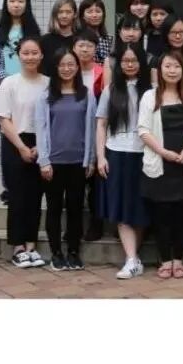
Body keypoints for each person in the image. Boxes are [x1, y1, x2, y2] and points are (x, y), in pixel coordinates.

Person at [138, 51, 183, 279]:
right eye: (167, 66)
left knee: (181, 215)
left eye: (176, 66)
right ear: (160, 70)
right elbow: (143, 130)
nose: (172, 71)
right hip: (159, 164)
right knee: (161, 215)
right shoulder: (150, 96)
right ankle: (164, 260)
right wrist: (163, 152)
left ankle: (178, 259)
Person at [35, 47, 97, 271]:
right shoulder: (45, 96)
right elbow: (41, 129)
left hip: (78, 162)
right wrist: (44, 161)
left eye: (71, 64)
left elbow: (92, 128)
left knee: (75, 208)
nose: (67, 68)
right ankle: (56, 253)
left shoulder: (86, 94)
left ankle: (73, 251)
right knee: (53, 209)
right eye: (62, 65)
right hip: (53, 163)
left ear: (77, 67)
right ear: (55, 68)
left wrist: (91, 160)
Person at [95, 42, 150, 279]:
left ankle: (134, 257)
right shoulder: (110, 90)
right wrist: (100, 157)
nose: (129, 65)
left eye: (134, 60)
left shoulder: (151, 90)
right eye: (125, 61)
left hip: (145, 154)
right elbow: (101, 124)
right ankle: (131, 259)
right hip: (116, 153)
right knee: (121, 207)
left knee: (140, 206)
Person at [0, 36, 48, 269]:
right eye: (26, 53)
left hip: (41, 142)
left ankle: (31, 246)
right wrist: (22, 147)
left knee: (35, 196)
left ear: (41, 55)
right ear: (18, 55)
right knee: (17, 196)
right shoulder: (9, 83)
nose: (30, 57)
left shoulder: (48, 83)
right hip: (15, 142)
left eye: (35, 53)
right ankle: (17, 247)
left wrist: (41, 146)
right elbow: (3, 119)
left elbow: (51, 118)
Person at [73, 29, 105, 242]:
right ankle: (74, 228)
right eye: (81, 45)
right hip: (73, 134)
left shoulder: (103, 72)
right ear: (73, 48)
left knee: (95, 185)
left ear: (96, 49)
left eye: (89, 46)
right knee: (75, 183)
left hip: (96, 132)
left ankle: (96, 224)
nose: (85, 50)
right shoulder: (67, 71)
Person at [0, 0, 42, 87]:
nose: (16, 5)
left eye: (20, 1)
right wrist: (6, 83)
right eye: (12, 1)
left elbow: (39, 59)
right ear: (6, 4)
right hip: (5, 84)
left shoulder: (34, 30)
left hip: (30, 82)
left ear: (27, 4)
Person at [39, 0, 79, 76]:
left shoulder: (80, 40)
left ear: (75, 14)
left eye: (68, 12)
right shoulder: (44, 41)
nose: (64, 16)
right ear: (55, 14)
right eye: (60, 12)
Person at [104, 14, 145, 80]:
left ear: (141, 33)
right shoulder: (110, 60)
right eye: (127, 29)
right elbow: (107, 86)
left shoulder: (149, 59)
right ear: (119, 32)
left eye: (135, 29)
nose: (131, 34)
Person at [154, 14, 183, 85]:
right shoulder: (157, 60)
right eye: (173, 32)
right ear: (166, 34)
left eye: (181, 32)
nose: (178, 36)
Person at [78, 0, 114, 64]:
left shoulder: (109, 39)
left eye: (98, 11)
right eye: (89, 12)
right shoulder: (77, 37)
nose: (94, 15)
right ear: (82, 16)